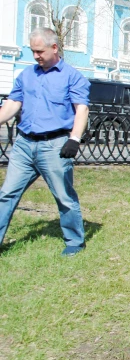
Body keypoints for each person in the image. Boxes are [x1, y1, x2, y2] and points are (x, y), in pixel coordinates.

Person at [0, 27, 90, 256]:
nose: (36, 56)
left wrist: (74, 139)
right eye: (33, 51)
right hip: (24, 145)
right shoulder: (27, 75)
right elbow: (12, 104)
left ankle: (74, 241)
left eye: (40, 51)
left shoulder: (72, 76)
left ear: (54, 47)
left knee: (64, 196)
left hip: (55, 146)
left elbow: (82, 109)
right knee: (7, 194)